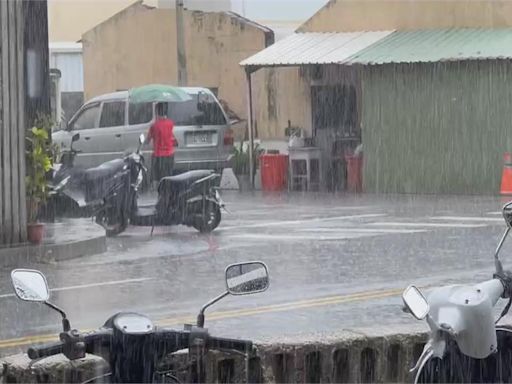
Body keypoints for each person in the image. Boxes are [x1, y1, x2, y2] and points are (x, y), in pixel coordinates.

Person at [147, 102, 176, 188]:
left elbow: (148, 140)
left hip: (158, 156)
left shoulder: (154, 126)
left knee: (157, 177)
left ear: (157, 112)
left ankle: (158, 191)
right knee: (169, 175)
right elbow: (172, 137)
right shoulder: (171, 124)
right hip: (169, 155)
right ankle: (168, 191)